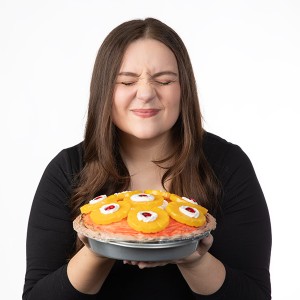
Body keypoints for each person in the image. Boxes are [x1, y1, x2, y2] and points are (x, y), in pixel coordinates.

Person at [22, 17, 272, 300]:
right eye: (127, 81)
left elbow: (256, 295)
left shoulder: (227, 165)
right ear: (105, 91)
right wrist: (98, 247)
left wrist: (193, 258)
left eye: (164, 80)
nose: (145, 93)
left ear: (184, 89)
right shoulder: (67, 170)